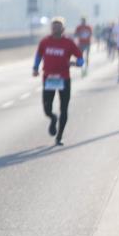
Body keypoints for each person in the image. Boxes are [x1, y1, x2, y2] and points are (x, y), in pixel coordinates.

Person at [33, 16, 83, 146]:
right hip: (48, 78)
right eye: (53, 27)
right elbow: (38, 56)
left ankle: (59, 136)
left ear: (63, 29)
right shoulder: (44, 42)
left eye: (58, 27)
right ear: (51, 28)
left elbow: (80, 59)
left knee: (64, 108)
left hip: (64, 79)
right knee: (47, 108)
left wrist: (76, 63)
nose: (55, 29)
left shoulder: (69, 43)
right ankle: (53, 118)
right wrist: (35, 68)